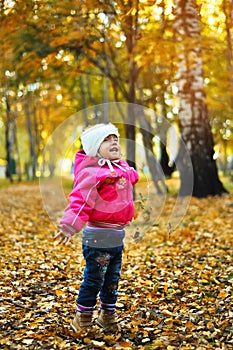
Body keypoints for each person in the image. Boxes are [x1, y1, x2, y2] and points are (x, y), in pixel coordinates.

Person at [54, 123, 138, 332]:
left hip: (116, 237)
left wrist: (131, 173)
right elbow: (80, 201)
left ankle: (107, 316)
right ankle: (83, 318)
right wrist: (69, 226)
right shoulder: (92, 173)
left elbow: (131, 175)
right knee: (94, 279)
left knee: (112, 280)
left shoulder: (120, 168)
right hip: (98, 237)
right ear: (94, 148)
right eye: (107, 140)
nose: (114, 142)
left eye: (115, 139)